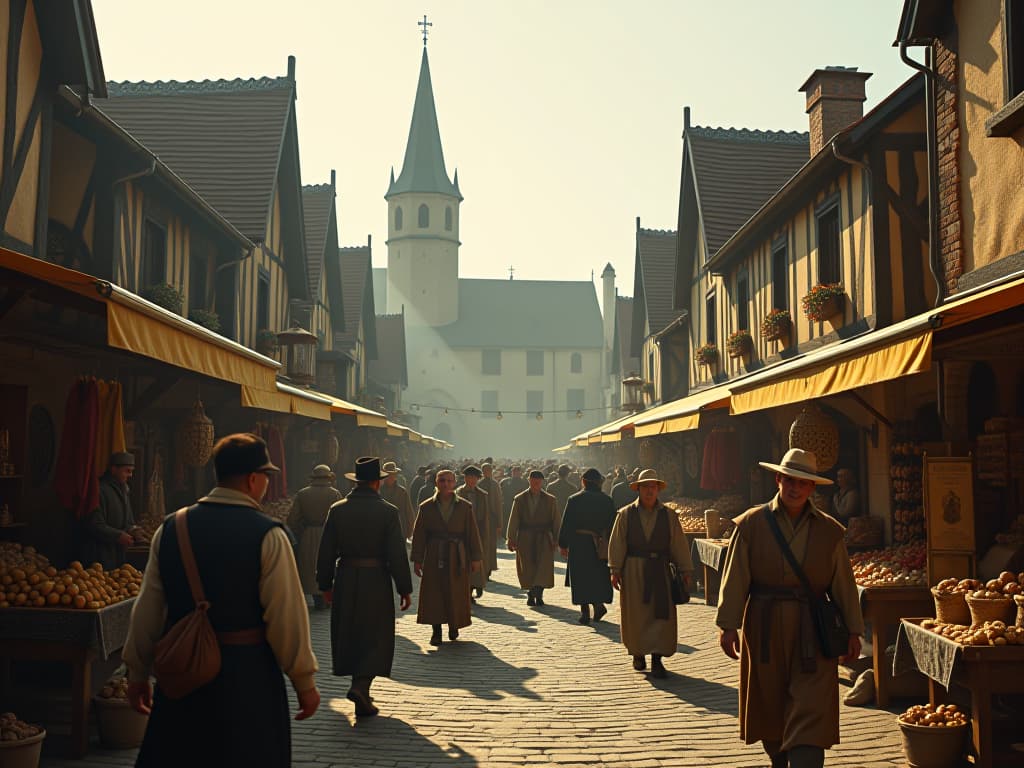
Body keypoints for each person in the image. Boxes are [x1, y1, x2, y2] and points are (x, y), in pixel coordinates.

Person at [124, 433, 319, 767]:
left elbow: (148, 610)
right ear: (253, 479)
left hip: (183, 679)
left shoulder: (172, 528)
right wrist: (304, 680)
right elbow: (287, 617)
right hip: (248, 677)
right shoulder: (269, 534)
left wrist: (137, 671)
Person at [716, 448, 864, 768]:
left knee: (811, 706)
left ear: (812, 488)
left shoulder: (829, 531)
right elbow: (736, 575)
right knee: (769, 701)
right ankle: (778, 757)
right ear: (778, 479)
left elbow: (843, 584)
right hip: (764, 625)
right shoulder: (751, 523)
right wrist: (728, 625)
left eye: (803, 482)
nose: (795, 488)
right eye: (790, 480)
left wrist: (854, 630)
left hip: (813, 629)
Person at [315, 456, 412, 718]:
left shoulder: (338, 509)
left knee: (350, 630)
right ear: (377, 483)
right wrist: (404, 587)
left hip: (346, 576)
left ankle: (360, 688)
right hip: (376, 578)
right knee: (375, 633)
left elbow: (325, 552)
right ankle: (361, 685)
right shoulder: (388, 512)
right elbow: (397, 554)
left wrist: (324, 584)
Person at [608, 468, 694, 679]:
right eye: (645, 487)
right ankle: (638, 652)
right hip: (634, 569)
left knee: (661, 615)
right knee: (636, 614)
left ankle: (657, 658)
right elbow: (617, 542)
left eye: (653, 487)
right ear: (638, 489)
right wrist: (615, 569)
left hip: (661, 570)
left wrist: (685, 569)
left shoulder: (669, 515)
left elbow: (678, 543)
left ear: (658, 490)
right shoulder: (626, 514)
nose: (649, 491)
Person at [410, 469, 484, 646]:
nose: (446, 484)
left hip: (457, 555)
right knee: (434, 593)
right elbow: (419, 534)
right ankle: (436, 631)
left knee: (456, 591)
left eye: (449, 481)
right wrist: (418, 559)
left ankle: (454, 624)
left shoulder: (465, 506)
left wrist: (475, 557)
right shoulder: (426, 507)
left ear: (454, 483)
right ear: (436, 483)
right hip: (435, 554)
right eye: (442, 480)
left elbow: (472, 533)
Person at [558, 468, 615, 624]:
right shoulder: (607, 501)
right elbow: (613, 525)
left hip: (579, 543)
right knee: (597, 576)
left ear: (583, 481)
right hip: (600, 544)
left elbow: (567, 523)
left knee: (580, 577)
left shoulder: (574, 499)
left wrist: (563, 544)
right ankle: (598, 604)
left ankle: (585, 612)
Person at [288, 464, 342, 610]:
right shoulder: (334, 494)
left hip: (308, 533)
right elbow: (340, 518)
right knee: (328, 564)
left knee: (309, 567)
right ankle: (326, 595)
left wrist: (301, 531)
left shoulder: (302, 494)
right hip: (328, 534)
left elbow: (292, 520)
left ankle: (316, 597)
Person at [507, 469, 560, 606]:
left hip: (544, 537)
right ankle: (531, 593)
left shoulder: (550, 500)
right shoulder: (520, 499)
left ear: (542, 482)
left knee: (543, 567)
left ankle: (539, 594)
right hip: (525, 537)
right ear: (529, 480)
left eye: (538, 480)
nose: (536, 483)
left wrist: (556, 539)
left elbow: (556, 520)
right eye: (533, 480)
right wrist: (510, 538)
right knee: (528, 567)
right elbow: (514, 520)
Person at [81, 451, 138, 570]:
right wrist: (118, 535)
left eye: (132, 471)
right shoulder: (99, 490)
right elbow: (94, 524)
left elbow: (128, 520)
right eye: (127, 471)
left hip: (118, 554)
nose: (130, 475)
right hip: (100, 555)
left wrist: (133, 530)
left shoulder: (124, 490)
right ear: (113, 469)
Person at [456, 465, 494, 601]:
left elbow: (485, 516)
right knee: (463, 562)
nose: (471, 480)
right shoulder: (458, 493)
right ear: (465, 478)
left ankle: (474, 586)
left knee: (477, 559)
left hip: (478, 531)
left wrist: (486, 534)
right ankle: (466, 590)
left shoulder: (482, 495)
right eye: (468, 477)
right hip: (462, 533)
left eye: (474, 478)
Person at [380, 461, 416, 540]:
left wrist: (410, 530)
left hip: (400, 529)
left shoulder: (402, 491)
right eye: (389, 475)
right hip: (382, 530)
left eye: (393, 474)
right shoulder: (379, 491)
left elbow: (408, 511)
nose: (392, 477)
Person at [478, 462, 503, 564]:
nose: (487, 472)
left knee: (492, 544)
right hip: (481, 518)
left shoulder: (495, 484)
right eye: (485, 470)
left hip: (492, 518)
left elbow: (498, 503)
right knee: (482, 543)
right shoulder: (479, 484)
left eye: (489, 470)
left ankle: (490, 566)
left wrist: (499, 523)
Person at [499, 465, 528, 537]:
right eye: (514, 471)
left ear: (520, 473)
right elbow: (500, 493)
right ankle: (506, 536)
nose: (516, 473)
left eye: (517, 471)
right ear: (512, 472)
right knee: (507, 522)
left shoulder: (525, 482)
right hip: (507, 506)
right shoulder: (505, 482)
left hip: (520, 507)